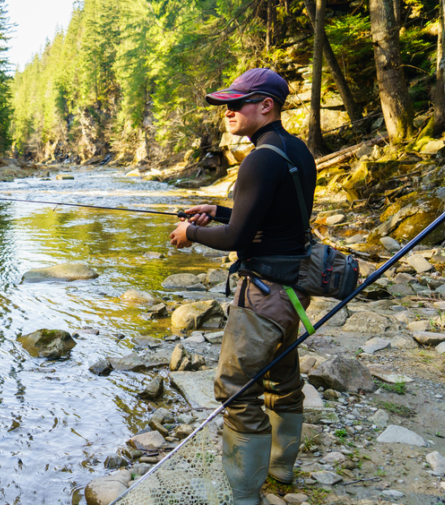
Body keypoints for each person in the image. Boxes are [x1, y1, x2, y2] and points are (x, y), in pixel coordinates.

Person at [168, 68, 317, 505]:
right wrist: (216, 210)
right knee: (283, 379)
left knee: (235, 388)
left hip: (262, 296)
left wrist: (189, 234)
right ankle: (281, 468)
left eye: (237, 104)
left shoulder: (258, 159)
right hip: (293, 290)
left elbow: (238, 240)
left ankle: (245, 497)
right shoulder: (295, 150)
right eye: (225, 105)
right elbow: (272, 219)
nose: (228, 112)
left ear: (266, 106)